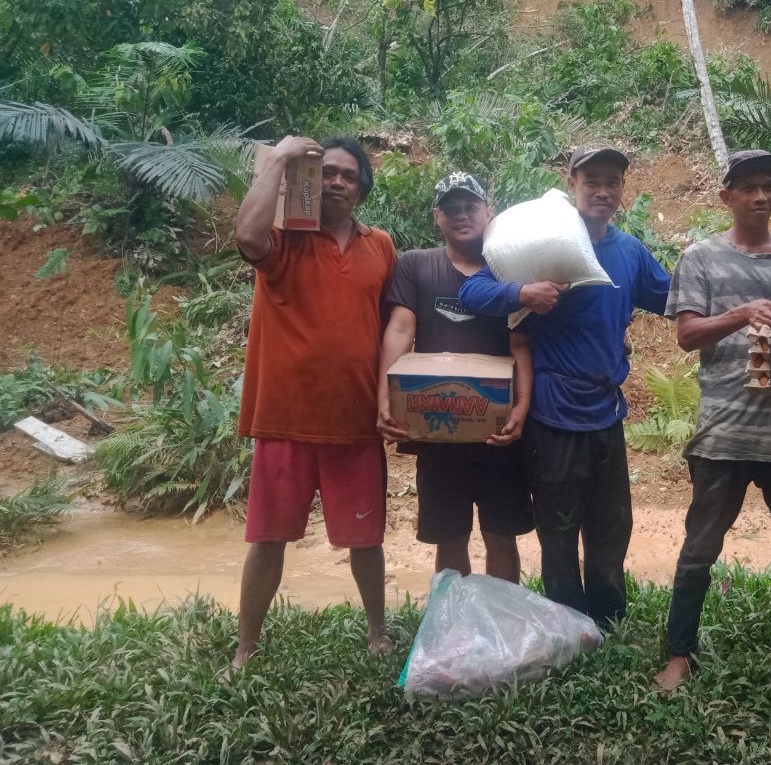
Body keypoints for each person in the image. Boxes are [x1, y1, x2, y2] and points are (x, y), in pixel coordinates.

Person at [458, 145, 671, 628]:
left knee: (612, 524)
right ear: (570, 183)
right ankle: (567, 623)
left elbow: (673, 298)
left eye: (612, 181)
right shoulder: (542, 242)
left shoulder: (630, 252)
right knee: (558, 527)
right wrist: (521, 292)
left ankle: (609, 619)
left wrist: (737, 299)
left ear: (622, 189)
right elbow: (472, 291)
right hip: (552, 413)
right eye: (592, 180)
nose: (603, 191)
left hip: (607, 410)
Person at [653, 150, 771, 691]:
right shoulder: (700, 258)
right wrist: (741, 313)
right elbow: (686, 336)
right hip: (722, 430)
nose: (761, 196)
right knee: (700, 547)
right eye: (748, 187)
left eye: (770, 186)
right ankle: (678, 653)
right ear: (725, 196)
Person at [232, 135, 398, 669]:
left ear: (362, 187)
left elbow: (397, 327)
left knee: (366, 539)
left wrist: (395, 399)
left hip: (356, 422)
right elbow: (244, 236)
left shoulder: (382, 246)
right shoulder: (282, 239)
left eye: (349, 175)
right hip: (285, 418)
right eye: (326, 172)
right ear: (307, 180)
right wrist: (279, 158)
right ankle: (246, 646)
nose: (337, 182)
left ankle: (378, 632)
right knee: (268, 538)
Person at [375, 172, 534, 583]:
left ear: (488, 211)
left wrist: (521, 405)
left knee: (501, 535)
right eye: (451, 208)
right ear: (437, 216)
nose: (461, 215)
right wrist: (385, 397)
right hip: (437, 430)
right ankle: (454, 626)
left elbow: (521, 342)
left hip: (498, 432)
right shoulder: (416, 265)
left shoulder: (509, 269)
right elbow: (400, 329)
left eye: (470, 206)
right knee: (450, 537)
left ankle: (502, 624)